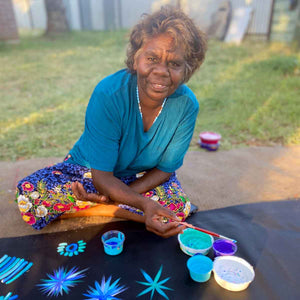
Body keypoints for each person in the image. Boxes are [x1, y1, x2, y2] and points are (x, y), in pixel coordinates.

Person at [16, 6, 207, 238]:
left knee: (177, 207)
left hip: (141, 177)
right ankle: (119, 211)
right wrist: (144, 205)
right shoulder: (109, 94)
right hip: (92, 171)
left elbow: (165, 169)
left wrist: (121, 194)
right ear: (135, 59)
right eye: (152, 58)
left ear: (187, 70)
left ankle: (99, 206)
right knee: (30, 195)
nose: (161, 72)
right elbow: (102, 177)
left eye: (174, 64)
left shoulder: (186, 105)